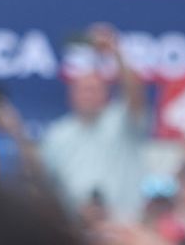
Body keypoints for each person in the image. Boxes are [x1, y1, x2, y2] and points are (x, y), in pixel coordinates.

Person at [39, 23, 149, 223]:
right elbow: (46, 185)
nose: (89, 95)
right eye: (84, 89)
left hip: (125, 228)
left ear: (106, 93)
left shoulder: (122, 121)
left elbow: (135, 94)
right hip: (76, 230)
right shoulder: (57, 134)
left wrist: (117, 52)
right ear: (71, 94)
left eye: (95, 89)